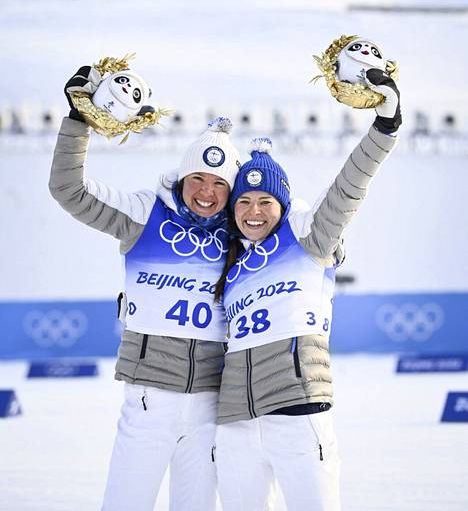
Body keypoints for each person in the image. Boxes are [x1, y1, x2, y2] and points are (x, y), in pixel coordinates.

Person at [48, 64, 241, 511]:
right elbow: (68, 190)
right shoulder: (143, 214)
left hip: (212, 404)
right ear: (181, 178)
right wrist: (79, 122)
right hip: (149, 399)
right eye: (198, 179)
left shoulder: (244, 233)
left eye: (219, 184)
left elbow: (302, 233)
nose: (207, 193)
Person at [214, 68, 402, 511]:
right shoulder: (230, 263)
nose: (253, 212)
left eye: (265, 203)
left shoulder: (310, 239)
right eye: (243, 202)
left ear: (282, 205)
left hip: (299, 415)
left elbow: (348, 187)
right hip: (236, 423)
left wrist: (385, 128)